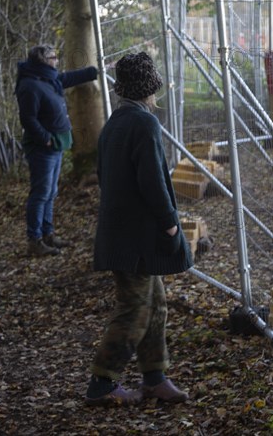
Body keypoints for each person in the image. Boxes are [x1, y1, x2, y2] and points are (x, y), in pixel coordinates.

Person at [85, 51, 193, 407]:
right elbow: (153, 181)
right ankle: (102, 384)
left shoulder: (114, 123)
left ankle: (154, 378)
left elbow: (105, 178)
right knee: (134, 308)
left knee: (156, 303)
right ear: (150, 88)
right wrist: (170, 225)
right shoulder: (143, 123)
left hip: (125, 235)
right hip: (135, 238)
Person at [15, 44, 98, 256]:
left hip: (57, 143)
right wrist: (46, 139)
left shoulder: (48, 78)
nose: (56, 60)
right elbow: (28, 119)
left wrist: (98, 70)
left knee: (50, 192)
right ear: (43, 60)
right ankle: (34, 241)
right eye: (53, 57)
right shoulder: (30, 84)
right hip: (43, 148)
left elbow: (68, 78)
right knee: (41, 193)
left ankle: (48, 234)